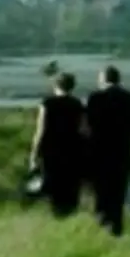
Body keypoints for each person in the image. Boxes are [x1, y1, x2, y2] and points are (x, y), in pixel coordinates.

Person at [84, 65, 130, 238]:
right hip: (121, 151)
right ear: (118, 79)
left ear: (103, 79)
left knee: (101, 192)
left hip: (99, 152)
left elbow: (87, 127)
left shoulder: (95, 98)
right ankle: (116, 227)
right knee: (118, 192)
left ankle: (102, 224)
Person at [29, 73, 87, 219]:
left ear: (55, 85)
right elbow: (84, 130)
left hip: (52, 152)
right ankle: (70, 217)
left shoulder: (47, 104)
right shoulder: (77, 104)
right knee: (71, 188)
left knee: (53, 188)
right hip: (73, 151)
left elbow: (40, 131)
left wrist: (34, 154)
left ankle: (57, 216)